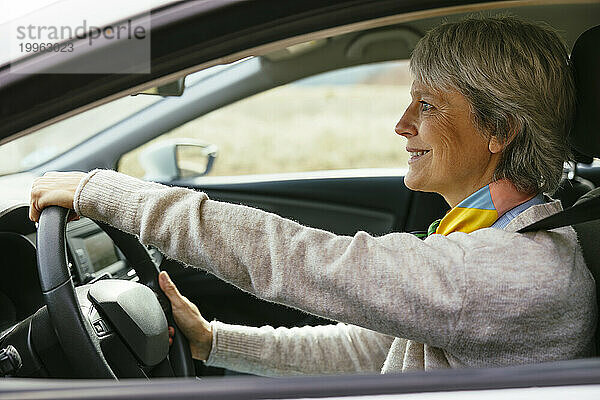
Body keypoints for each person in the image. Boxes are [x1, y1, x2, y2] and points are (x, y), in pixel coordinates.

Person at [29, 16, 596, 375]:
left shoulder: (514, 268)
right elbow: (377, 351)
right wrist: (212, 341)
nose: (402, 125)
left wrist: (103, 192)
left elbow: (302, 260)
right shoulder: (502, 236)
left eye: (427, 105)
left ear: (500, 130)